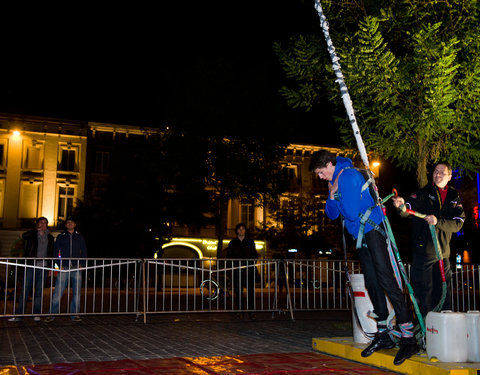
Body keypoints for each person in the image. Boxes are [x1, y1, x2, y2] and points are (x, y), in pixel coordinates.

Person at [309, 150, 419, 366]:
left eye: (321, 172)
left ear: (330, 164)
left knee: (387, 280)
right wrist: (332, 194)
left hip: (373, 230)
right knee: (372, 283)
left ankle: (409, 337)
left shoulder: (348, 176)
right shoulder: (335, 182)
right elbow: (330, 214)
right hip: (360, 235)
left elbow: (349, 212)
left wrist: (334, 193)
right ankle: (383, 334)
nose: (320, 177)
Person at [393, 162, 465, 318]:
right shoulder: (424, 193)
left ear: (450, 176)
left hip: (443, 255)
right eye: (435, 172)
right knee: (424, 296)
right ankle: (424, 332)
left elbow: (458, 223)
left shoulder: (454, 196)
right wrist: (401, 206)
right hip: (423, 254)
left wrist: (438, 222)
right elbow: (408, 208)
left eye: (442, 172)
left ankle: (444, 332)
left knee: (444, 296)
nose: (437, 174)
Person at [9, 217, 54, 322]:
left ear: (47, 225)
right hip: (30, 266)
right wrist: (36, 230)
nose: (43, 225)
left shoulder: (50, 238)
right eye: (40, 223)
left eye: (44, 223)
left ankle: (36, 313)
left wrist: (51, 267)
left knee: (39, 292)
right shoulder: (32, 235)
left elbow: (51, 253)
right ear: (37, 224)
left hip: (43, 267)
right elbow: (24, 236)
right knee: (25, 290)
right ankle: (19, 315)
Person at [45, 217, 87, 322]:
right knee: (58, 292)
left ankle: (75, 315)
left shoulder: (80, 236)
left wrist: (82, 263)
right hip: (64, 267)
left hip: (76, 268)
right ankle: (51, 314)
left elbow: (84, 251)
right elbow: (56, 251)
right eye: (68, 222)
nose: (70, 224)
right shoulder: (61, 236)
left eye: (72, 222)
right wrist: (58, 264)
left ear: (75, 224)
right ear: (65, 225)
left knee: (77, 293)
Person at [226, 223, 258, 319]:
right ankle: (240, 311)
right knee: (238, 291)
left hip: (249, 270)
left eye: (243, 229)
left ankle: (251, 312)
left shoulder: (250, 242)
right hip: (237, 270)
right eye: (239, 229)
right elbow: (229, 256)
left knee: (250, 291)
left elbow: (254, 255)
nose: (241, 230)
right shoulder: (232, 242)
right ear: (236, 231)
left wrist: (251, 264)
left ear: (245, 231)